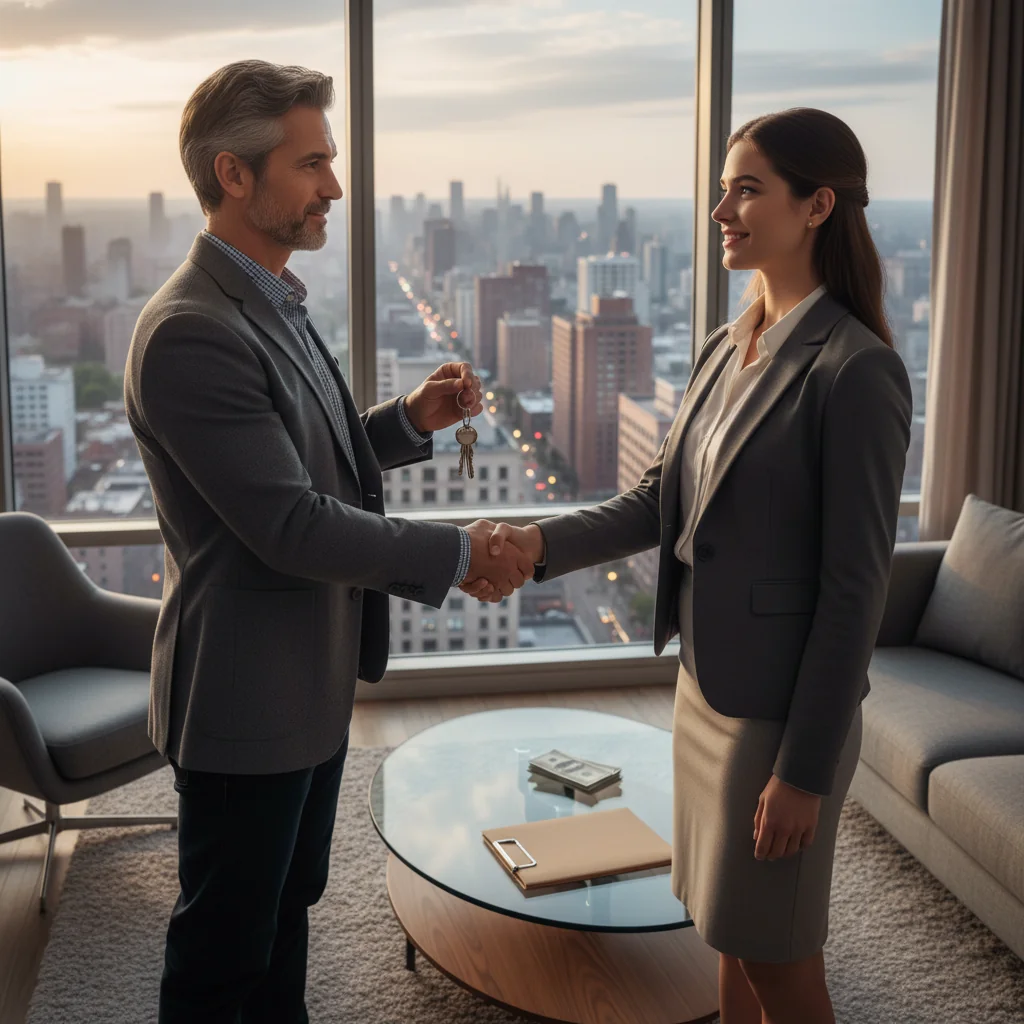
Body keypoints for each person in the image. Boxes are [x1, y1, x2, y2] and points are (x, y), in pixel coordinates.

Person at [464, 107, 912, 1024]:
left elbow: (855, 591)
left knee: (780, 959)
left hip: (776, 721)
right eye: (722, 188)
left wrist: (806, 771)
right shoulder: (725, 345)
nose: (720, 210)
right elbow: (659, 500)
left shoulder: (855, 371)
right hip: (705, 691)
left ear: (818, 205)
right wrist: (536, 544)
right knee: (723, 930)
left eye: (746, 189)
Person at [124, 60, 533, 1023]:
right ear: (234, 174)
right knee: (225, 946)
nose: (334, 189)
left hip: (307, 681)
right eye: (313, 165)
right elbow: (288, 522)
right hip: (243, 694)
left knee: (287, 911)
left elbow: (307, 455)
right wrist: (460, 552)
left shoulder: (271, 296)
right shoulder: (191, 329)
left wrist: (408, 419)